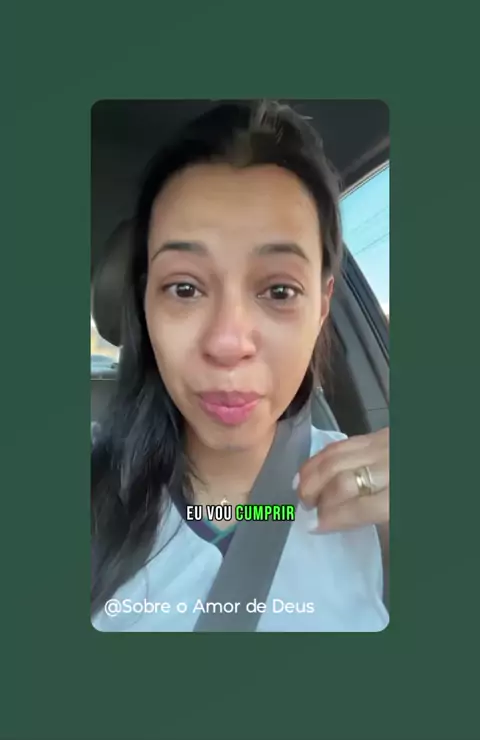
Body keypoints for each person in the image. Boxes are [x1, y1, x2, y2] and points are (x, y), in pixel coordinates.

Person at [91, 100, 390, 632]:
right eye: (184, 288)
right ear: (145, 304)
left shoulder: (377, 500)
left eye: (279, 290)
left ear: (322, 306)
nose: (227, 343)